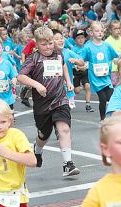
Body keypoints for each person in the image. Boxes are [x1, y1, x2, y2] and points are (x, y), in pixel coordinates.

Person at [17, 26, 79, 177]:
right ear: (37, 44)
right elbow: (21, 76)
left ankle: (68, 164)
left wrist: (68, 81)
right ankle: (37, 150)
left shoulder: (59, 54)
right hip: (42, 104)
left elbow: (63, 65)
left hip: (60, 99)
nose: (48, 47)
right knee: (44, 135)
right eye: (44, 44)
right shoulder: (33, 59)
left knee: (64, 129)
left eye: (50, 43)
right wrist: (37, 85)